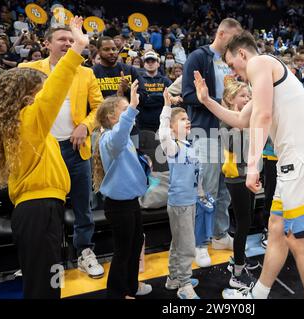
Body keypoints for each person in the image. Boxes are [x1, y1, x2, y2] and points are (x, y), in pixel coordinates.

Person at [193, 30, 304, 299]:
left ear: (243, 54)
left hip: (303, 162)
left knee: (298, 239)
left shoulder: (259, 63)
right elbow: (241, 119)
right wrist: (207, 100)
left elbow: (263, 115)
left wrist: (254, 164)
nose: (235, 72)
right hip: (292, 163)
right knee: (276, 230)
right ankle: (258, 294)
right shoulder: (265, 73)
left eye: (233, 65)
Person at [0, 16, 87, 299]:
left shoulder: (18, 123)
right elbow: (55, 90)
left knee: (43, 282)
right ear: (28, 94)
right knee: (45, 285)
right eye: (40, 90)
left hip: (37, 210)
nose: (45, 93)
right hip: (39, 211)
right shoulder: (29, 119)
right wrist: (76, 48)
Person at [19, 25, 105, 279]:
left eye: (71, 39)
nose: (68, 43)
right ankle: (42, 259)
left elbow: (99, 109)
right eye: (62, 39)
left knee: (83, 207)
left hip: (75, 148)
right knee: (44, 208)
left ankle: (85, 252)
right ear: (47, 44)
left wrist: (85, 126)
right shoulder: (29, 70)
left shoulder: (86, 73)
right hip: (42, 151)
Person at [182, 18, 242, 268]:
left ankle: (219, 235)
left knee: (224, 188)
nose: (238, 45)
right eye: (234, 38)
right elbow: (187, 94)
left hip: (227, 129)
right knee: (205, 191)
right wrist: (216, 101)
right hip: (204, 131)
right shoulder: (198, 57)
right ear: (221, 34)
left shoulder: (230, 62)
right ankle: (199, 243)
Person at [92, 81, 151, 299]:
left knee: (135, 246)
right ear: (111, 118)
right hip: (118, 206)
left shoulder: (122, 138)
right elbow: (119, 135)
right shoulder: (109, 138)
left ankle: (131, 286)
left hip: (130, 202)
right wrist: (133, 106)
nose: (130, 114)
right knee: (123, 251)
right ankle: (117, 293)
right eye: (125, 111)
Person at [158, 88, 200, 299]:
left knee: (178, 242)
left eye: (187, 118)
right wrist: (167, 107)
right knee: (186, 246)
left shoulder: (188, 145)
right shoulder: (172, 146)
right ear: (173, 128)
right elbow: (163, 132)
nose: (188, 121)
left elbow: (194, 174)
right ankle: (184, 284)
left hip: (189, 201)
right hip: (180, 204)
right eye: (182, 119)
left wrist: (201, 194)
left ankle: (174, 277)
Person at [219, 79, 258, 288]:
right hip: (236, 178)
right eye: (243, 96)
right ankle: (237, 273)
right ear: (230, 99)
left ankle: (238, 258)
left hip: (249, 175)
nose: (247, 100)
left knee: (248, 220)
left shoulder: (250, 119)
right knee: (243, 223)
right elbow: (237, 147)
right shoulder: (227, 121)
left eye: (249, 96)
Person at [137, 51, 172, 131]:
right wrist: (161, 97)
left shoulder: (165, 80)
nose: (150, 64)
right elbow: (140, 100)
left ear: (158, 64)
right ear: (144, 64)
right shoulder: (139, 80)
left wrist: (149, 96)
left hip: (162, 121)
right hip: (142, 122)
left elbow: (170, 98)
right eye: (147, 61)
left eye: (153, 61)